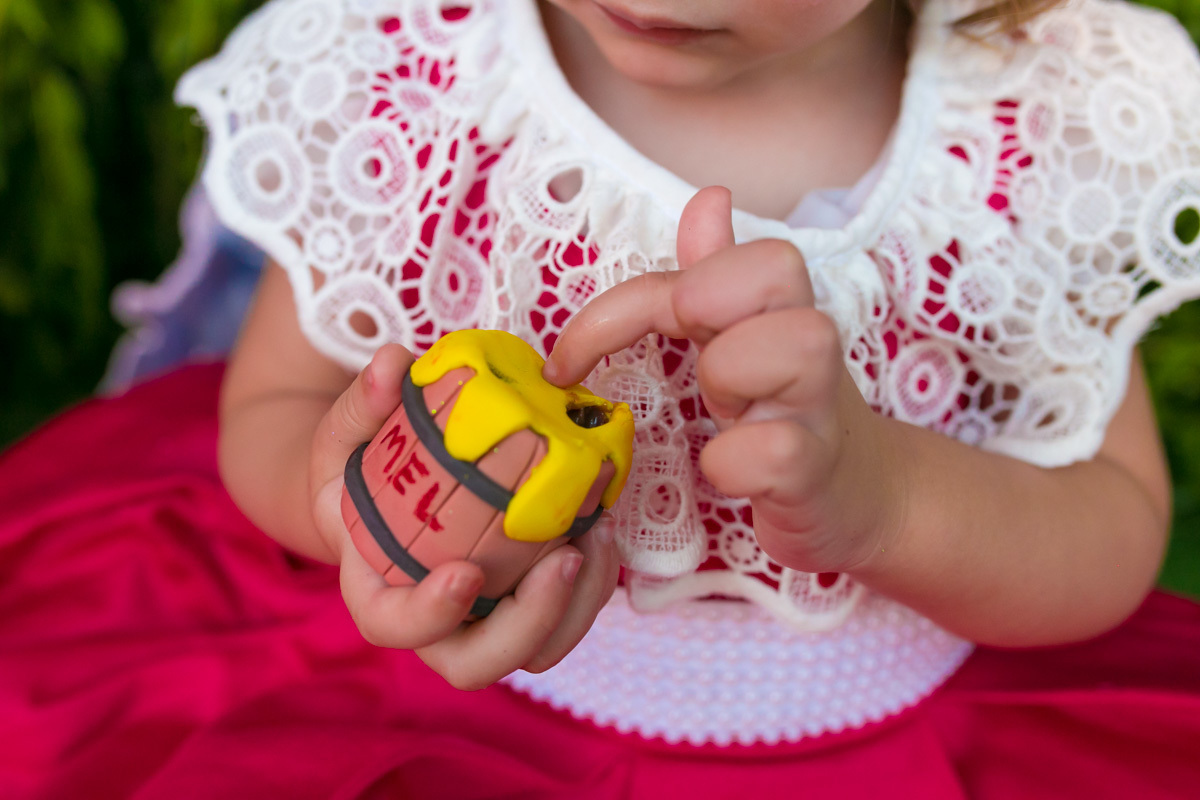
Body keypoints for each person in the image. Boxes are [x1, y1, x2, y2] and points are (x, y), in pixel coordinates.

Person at [4, 0, 1200, 797]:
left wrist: (884, 501)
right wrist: (375, 528)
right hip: (442, 723)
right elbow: (281, 405)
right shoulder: (423, 65)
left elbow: (1112, 520)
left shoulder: (1042, 113)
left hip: (898, 738)